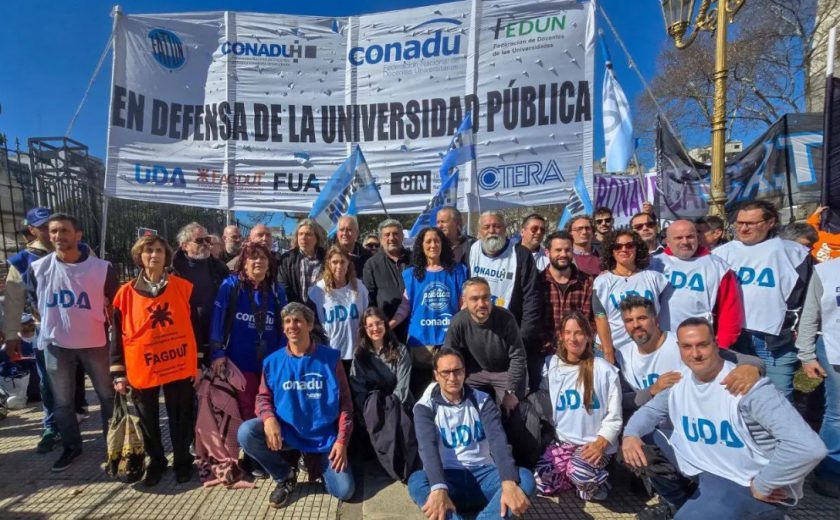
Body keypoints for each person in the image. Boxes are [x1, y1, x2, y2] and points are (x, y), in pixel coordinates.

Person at [622, 318, 827, 519]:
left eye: (702, 345)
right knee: (644, 442)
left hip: (743, 483)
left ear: (716, 344)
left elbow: (809, 447)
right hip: (706, 468)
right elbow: (649, 411)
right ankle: (680, 505)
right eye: (687, 346)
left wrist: (764, 484)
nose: (695, 354)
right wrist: (630, 434)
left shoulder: (747, 387)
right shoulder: (680, 379)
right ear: (679, 348)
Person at [616, 297, 765, 520]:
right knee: (635, 453)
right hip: (664, 433)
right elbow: (623, 400)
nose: (636, 325)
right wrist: (651, 390)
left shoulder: (684, 344)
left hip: (706, 431)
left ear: (655, 320)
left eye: (642, 318)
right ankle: (678, 502)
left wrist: (753, 369)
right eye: (629, 320)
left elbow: (752, 362)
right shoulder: (623, 354)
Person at [237, 303, 355, 508]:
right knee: (246, 432)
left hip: (323, 437)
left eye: (298, 321)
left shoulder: (330, 359)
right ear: (283, 328)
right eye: (288, 321)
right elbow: (263, 398)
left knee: (345, 491)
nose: (292, 326)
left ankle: (315, 462)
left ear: (309, 325)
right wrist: (269, 419)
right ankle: (285, 475)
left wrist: (341, 441)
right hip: (287, 433)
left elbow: (345, 404)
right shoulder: (272, 362)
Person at [26, 213, 119, 472]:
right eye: (53, 231)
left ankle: (113, 445)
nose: (58, 236)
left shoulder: (102, 268)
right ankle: (71, 447)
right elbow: (33, 300)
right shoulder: (38, 268)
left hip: (95, 341)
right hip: (56, 344)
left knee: (107, 396)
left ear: (78, 235)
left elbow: (114, 303)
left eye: (64, 230)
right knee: (62, 402)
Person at [408, 348, 536, 520]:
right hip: (449, 480)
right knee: (416, 481)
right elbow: (427, 448)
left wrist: (508, 482)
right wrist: (438, 487)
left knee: (525, 477)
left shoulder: (482, 400)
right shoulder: (425, 406)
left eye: (457, 371)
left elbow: (498, 441)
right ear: (436, 375)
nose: (452, 378)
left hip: (484, 477)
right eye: (446, 372)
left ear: (464, 372)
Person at [111, 235, 198, 485]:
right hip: (142, 364)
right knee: (147, 417)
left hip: (178, 361)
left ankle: (182, 461)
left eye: (159, 250)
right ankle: (157, 462)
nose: (154, 255)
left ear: (166, 256)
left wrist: (198, 361)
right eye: (148, 250)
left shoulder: (183, 287)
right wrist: (118, 372)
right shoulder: (125, 294)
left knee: (181, 415)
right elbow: (116, 334)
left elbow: (195, 325)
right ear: (139, 256)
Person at [713, 200, 813, 400]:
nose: (743, 228)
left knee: (778, 397)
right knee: (736, 394)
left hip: (774, 340)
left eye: (751, 223)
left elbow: (807, 299)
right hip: (734, 338)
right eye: (739, 223)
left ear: (770, 222)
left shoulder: (794, 253)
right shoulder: (719, 254)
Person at [209, 240, 288, 477]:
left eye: (263, 258)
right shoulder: (230, 286)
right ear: (243, 262)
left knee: (271, 405)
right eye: (253, 257)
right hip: (240, 360)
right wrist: (217, 353)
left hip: (271, 361)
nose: (258, 262)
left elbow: (285, 326)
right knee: (247, 408)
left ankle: (270, 450)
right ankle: (253, 456)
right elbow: (217, 320)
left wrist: (283, 355)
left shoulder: (276, 290)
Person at [535, 311, 622, 501]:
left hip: (594, 444)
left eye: (579, 333)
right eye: (568, 332)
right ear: (561, 335)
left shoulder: (604, 369)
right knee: (542, 481)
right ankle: (572, 475)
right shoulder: (551, 365)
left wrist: (602, 442)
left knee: (580, 473)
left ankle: (599, 481)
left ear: (589, 336)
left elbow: (615, 416)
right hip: (563, 442)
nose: (573, 338)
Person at [467, 211, 543, 391]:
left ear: (505, 229)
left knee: (512, 399)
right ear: (479, 231)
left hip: (509, 340)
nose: (492, 231)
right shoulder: (471, 250)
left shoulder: (521, 255)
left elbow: (532, 300)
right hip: (476, 343)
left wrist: (522, 340)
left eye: (497, 226)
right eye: (486, 227)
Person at [650, 220, 743, 349]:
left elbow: (730, 309)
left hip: (700, 343)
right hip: (661, 340)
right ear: (667, 241)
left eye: (690, 237)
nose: (685, 242)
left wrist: (723, 344)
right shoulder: (654, 264)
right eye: (678, 238)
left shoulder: (718, 266)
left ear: (697, 237)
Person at [350, 307, 416, 481]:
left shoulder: (400, 350)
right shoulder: (360, 354)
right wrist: (368, 411)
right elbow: (358, 387)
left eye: (378, 323)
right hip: (374, 405)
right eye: (370, 325)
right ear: (364, 329)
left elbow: (403, 385)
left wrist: (390, 412)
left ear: (385, 324)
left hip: (398, 404)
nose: (375, 328)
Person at [391, 227, 468, 376]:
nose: (433, 245)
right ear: (421, 245)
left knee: (450, 381)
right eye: (428, 241)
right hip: (421, 341)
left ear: (443, 244)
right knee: (422, 384)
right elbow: (405, 306)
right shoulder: (411, 275)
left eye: (437, 241)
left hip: (450, 339)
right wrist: (390, 325)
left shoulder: (458, 272)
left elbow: (463, 305)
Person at [444, 277, 527, 409]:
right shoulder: (458, 321)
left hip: (505, 372)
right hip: (475, 373)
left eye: (485, 298)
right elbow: (448, 355)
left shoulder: (506, 318)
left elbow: (518, 356)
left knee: (514, 408)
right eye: (474, 299)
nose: (481, 304)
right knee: (462, 402)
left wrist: (510, 391)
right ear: (465, 300)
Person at [795, 256, 840, 498]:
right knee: (837, 414)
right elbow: (810, 314)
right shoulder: (827, 271)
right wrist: (806, 355)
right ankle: (830, 473)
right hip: (835, 350)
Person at [593, 230, 670, 364]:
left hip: (647, 347)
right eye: (617, 246)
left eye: (629, 245)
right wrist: (608, 351)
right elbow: (600, 317)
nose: (624, 249)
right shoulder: (602, 281)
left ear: (637, 248)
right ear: (611, 251)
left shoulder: (655, 278)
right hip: (613, 348)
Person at [171, 222, 230, 368]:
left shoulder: (220, 269)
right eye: (199, 240)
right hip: (184, 339)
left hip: (214, 337)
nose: (205, 244)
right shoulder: (172, 272)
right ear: (184, 246)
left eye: (207, 240)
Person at [307, 246, 369, 365]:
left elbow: (367, 316)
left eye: (342, 262)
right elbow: (312, 324)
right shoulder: (318, 290)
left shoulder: (359, 287)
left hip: (356, 352)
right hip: (330, 352)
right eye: (335, 262)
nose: (339, 266)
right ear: (328, 264)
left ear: (348, 263)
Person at [542, 231, 594, 355]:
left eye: (567, 250)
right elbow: (534, 321)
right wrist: (546, 345)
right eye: (558, 250)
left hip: (577, 350)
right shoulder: (537, 282)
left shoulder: (586, 282)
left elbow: (588, 319)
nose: (563, 254)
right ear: (547, 253)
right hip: (544, 351)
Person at [363, 219, 412, 340]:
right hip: (387, 329)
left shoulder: (415, 260)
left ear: (402, 237)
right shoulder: (372, 264)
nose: (391, 238)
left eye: (395, 234)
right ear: (380, 239)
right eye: (387, 235)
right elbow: (369, 300)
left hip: (414, 326)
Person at [278, 219, 327, 304]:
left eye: (308, 234)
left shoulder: (327, 258)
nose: (303, 237)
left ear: (317, 238)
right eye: (300, 234)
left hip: (322, 308)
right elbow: (283, 287)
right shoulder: (286, 259)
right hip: (295, 309)